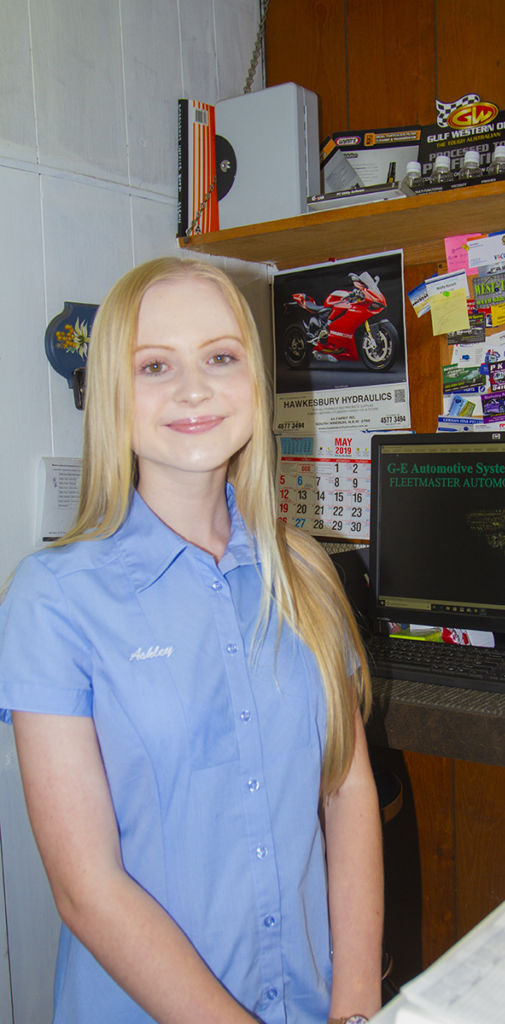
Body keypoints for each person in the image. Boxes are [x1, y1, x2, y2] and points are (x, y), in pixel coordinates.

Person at [0, 257, 383, 1024]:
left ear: (254, 382)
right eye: (154, 366)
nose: (193, 389)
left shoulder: (304, 574)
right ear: (113, 393)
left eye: (219, 357)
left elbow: (346, 792)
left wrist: (355, 1003)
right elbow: (87, 887)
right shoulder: (52, 599)